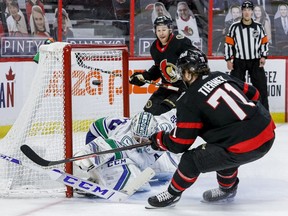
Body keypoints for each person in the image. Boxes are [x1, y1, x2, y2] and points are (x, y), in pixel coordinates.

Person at [145, 49, 275, 208]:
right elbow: (254, 94)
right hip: (267, 130)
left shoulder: (188, 100)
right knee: (220, 150)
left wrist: (159, 139)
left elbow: (180, 143)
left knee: (191, 160)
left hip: (244, 144)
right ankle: (227, 189)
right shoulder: (220, 75)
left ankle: (172, 194)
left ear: (186, 73)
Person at [74, 109, 179, 194]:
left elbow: (178, 112)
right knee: (131, 175)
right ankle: (98, 176)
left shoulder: (164, 125)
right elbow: (106, 147)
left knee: (170, 170)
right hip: (98, 135)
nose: (140, 142)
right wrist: (87, 155)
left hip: (120, 139)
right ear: (132, 130)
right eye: (137, 138)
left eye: (145, 139)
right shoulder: (126, 139)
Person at [129, 15, 197, 115]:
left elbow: (196, 61)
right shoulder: (154, 48)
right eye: (159, 30)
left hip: (181, 89)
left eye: (164, 29)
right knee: (148, 113)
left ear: (170, 30)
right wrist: (144, 76)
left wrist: (190, 84)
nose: (161, 33)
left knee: (163, 112)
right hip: (166, 87)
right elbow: (158, 68)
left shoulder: (181, 42)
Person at [224, 1, 269, 111]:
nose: (247, 12)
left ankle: (264, 115)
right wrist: (228, 60)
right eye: (244, 10)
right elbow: (228, 44)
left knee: (261, 88)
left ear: (252, 12)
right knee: (236, 88)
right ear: (242, 12)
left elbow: (264, 42)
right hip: (239, 61)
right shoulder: (234, 27)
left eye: (249, 10)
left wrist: (263, 56)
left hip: (255, 61)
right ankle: (238, 113)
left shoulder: (259, 27)